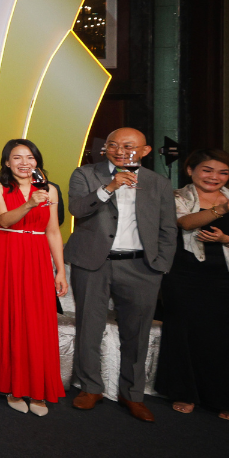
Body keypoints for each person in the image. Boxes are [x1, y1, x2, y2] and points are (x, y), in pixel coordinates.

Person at [65, 127, 176, 422]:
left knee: (136, 334)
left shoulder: (159, 183)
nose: (118, 149)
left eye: (128, 145)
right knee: (89, 326)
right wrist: (110, 187)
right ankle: (90, 388)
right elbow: (77, 209)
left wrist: (161, 264)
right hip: (93, 263)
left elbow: (168, 228)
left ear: (145, 151)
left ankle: (132, 394)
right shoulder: (86, 174)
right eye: (112, 144)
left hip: (142, 267)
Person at [157, 149, 229, 421]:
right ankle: (185, 393)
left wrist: (226, 240)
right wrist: (222, 209)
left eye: (223, 172)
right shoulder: (176, 197)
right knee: (185, 333)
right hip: (185, 276)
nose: (214, 177)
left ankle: (228, 397)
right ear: (190, 170)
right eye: (207, 170)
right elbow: (184, 222)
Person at [0, 139, 67, 416]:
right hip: (6, 253)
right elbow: (4, 220)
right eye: (17, 158)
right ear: (6, 162)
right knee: (7, 318)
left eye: (30, 157)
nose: (24, 163)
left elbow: (53, 231)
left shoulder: (50, 189)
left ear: (37, 161)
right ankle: (11, 385)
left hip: (36, 256)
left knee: (37, 321)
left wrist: (61, 270)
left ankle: (38, 387)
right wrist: (30, 204)